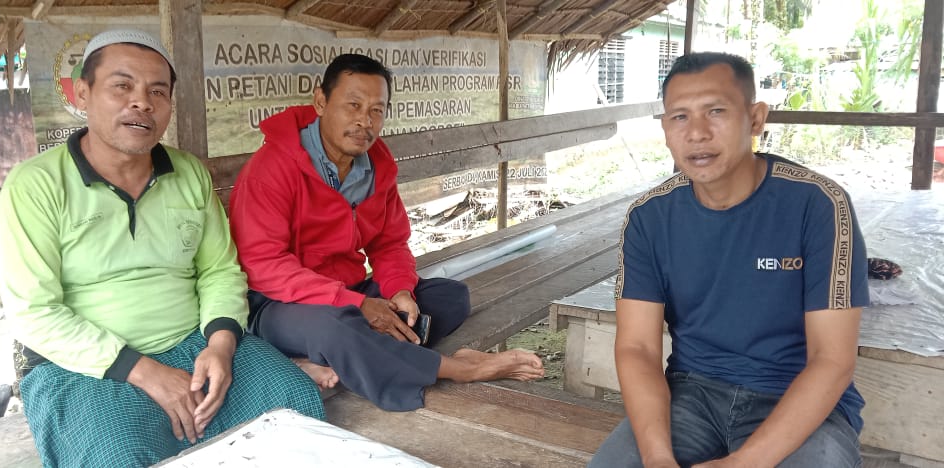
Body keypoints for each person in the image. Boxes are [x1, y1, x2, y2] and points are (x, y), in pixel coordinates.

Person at [0, 29, 324, 467]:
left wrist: (221, 345)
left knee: (295, 404)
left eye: (157, 92)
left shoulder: (189, 173)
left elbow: (219, 271)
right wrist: (146, 372)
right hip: (86, 366)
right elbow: (34, 311)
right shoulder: (35, 185)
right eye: (122, 86)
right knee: (116, 457)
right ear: (83, 93)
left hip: (194, 342)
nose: (142, 103)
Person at [589, 52, 869, 468]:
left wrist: (744, 462)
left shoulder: (818, 205)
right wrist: (658, 458)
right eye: (680, 117)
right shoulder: (650, 217)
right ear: (665, 129)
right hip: (691, 394)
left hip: (794, 395)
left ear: (755, 119)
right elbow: (638, 348)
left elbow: (832, 359)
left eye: (715, 111)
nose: (697, 133)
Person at [228, 53, 545, 412]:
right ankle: (458, 368)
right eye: (353, 105)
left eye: (376, 110)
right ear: (320, 102)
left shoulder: (375, 167)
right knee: (335, 328)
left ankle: (331, 356)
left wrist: (400, 291)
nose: (364, 121)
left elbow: (389, 244)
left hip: (347, 293)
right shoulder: (272, 168)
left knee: (449, 296)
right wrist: (356, 304)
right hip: (278, 305)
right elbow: (264, 265)